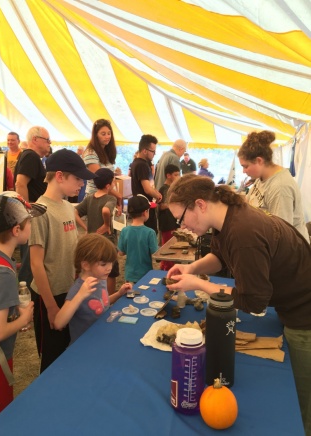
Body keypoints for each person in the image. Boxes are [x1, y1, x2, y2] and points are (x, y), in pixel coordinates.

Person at [165, 174, 311, 434]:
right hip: (290, 302)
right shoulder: (229, 217)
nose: (182, 227)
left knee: (301, 400)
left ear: (200, 204)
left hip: (304, 313)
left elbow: (253, 301)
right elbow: (220, 256)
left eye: (181, 218)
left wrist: (199, 285)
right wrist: (192, 268)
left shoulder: (244, 232)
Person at [29, 149, 96, 373]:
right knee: (51, 355)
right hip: (49, 294)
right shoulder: (40, 211)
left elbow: (72, 245)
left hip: (69, 290)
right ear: (59, 176)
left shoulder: (68, 206)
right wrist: (50, 307)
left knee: (68, 347)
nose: (82, 184)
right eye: (77, 178)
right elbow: (36, 264)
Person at [0, 191, 46, 426]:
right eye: (28, 221)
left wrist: (13, 317)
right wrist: (23, 318)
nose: (31, 225)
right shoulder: (2, 274)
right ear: (17, 230)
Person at [54, 234, 131, 344]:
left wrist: (119, 294)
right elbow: (58, 323)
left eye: (111, 263)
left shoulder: (101, 278)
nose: (109, 268)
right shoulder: (78, 289)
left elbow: (101, 304)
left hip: (101, 338)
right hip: (84, 346)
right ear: (86, 265)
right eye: (103, 264)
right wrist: (80, 295)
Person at [238, 130, 309, 242]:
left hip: (290, 253)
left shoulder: (280, 187)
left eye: (245, 166)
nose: (243, 171)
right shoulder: (261, 177)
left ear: (259, 161)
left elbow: (281, 235)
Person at [14, 126, 49, 287]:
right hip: (32, 214)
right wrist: (28, 211)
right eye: (47, 140)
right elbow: (20, 183)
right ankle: (25, 297)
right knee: (29, 262)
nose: (49, 143)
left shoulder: (29, 156)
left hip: (30, 213)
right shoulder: (31, 156)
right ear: (35, 140)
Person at [75, 168, 119, 295]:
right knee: (111, 273)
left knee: (94, 270)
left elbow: (75, 212)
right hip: (107, 242)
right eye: (114, 180)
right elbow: (106, 210)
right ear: (108, 185)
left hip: (92, 242)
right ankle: (110, 299)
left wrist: (85, 227)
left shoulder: (89, 198)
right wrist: (106, 224)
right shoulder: (110, 199)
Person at [83, 119, 122, 213]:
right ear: (96, 135)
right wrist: (118, 195)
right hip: (96, 198)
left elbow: (108, 178)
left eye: (109, 133)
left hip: (108, 196)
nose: (107, 136)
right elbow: (101, 180)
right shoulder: (91, 153)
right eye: (103, 134)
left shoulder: (106, 152)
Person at [118, 195, 158, 283]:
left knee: (130, 295)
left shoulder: (124, 231)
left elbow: (121, 253)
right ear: (145, 212)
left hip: (129, 275)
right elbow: (155, 254)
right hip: (146, 274)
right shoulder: (150, 232)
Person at [130, 134, 162, 233]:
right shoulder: (141, 165)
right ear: (144, 151)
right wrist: (158, 195)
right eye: (153, 151)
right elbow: (147, 189)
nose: (154, 154)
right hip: (145, 208)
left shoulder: (138, 163)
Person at [158, 164, 180, 270]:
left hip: (172, 222)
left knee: (172, 246)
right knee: (168, 248)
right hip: (166, 223)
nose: (178, 177)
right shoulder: (164, 189)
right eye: (176, 175)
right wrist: (174, 203)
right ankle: (166, 268)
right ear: (168, 175)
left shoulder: (171, 188)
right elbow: (161, 206)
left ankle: (166, 266)